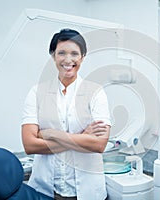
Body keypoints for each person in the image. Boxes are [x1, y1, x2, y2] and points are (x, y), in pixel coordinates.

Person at [21, 28, 111, 200]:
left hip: (87, 191)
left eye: (74, 54)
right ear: (53, 55)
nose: (68, 60)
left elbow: (99, 145)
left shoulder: (96, 92)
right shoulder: (36, 92)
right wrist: (82, 138)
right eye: (61, 53)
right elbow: (29, 145)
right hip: (45, 190)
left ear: (82, 57)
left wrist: (50, 134)